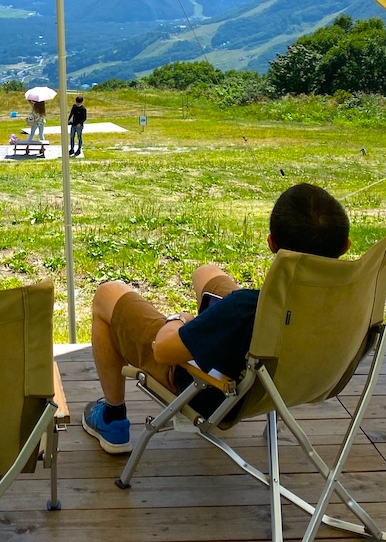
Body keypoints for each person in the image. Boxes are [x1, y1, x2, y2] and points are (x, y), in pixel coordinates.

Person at [82, 183, 352, 455]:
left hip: (214, 391)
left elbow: (163, 351)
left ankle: (113, 420)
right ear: (345, 245)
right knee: (206, 272)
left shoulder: (244, 309)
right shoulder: (350, 301)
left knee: (108, 294)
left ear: (271, 244)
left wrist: (180, 319)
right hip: (289, 384)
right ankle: (212, 342)